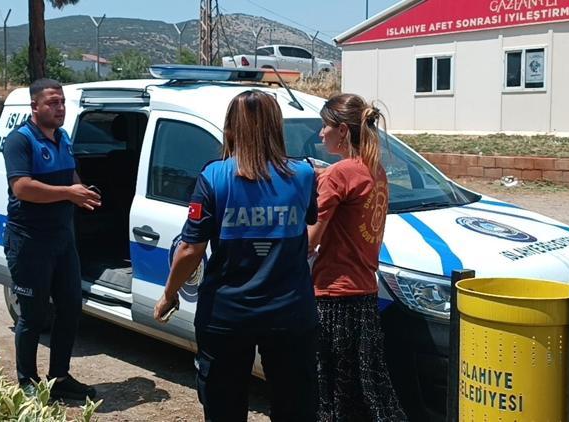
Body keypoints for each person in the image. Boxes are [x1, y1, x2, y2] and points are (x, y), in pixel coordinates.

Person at [154, 90, 319, 422]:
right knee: (296, 406)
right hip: (290, 312)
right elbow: (311, 226)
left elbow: (190, 250)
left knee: (224, 405)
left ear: (231, 129)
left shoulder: (214, 177)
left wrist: (169, 294)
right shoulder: (303, 175)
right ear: (277, 127)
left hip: (227, 315)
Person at [308, 93, 407, 421]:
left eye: (325, 126)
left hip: (333, 297)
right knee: (367, 397)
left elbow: (310, 242)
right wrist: (324, 172)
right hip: (364, 294)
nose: (320, 133)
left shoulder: (339, 175)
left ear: (342, 131)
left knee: (331, 398)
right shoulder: (374, 170)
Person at [3, 78, 101, 401]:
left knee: (71, 307)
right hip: (29, 241)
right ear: (35, 107)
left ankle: (59, 377)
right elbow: (22, 188)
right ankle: (27, 382)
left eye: (61, 102)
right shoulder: (20, 141)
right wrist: (68, 193)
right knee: (33, 316)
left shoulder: (64, 138)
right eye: (52, 103)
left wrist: (81, 191)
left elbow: (69, 173)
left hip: (62, 240)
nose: (59, 108)